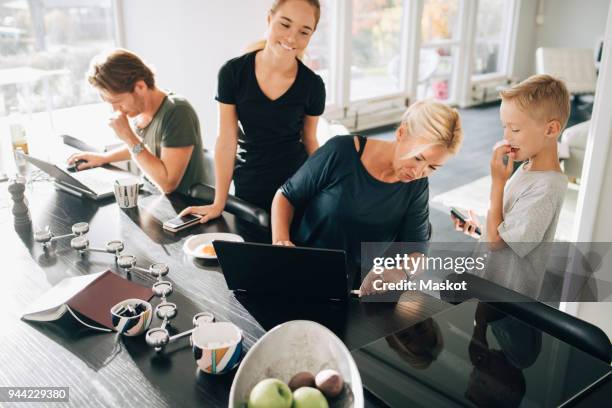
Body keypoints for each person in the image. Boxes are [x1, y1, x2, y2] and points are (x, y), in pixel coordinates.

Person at [271, 100, 463, 292]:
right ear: (401, 133)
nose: (419, 172)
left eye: (432, 167)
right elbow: (287, 195)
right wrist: (280, 241)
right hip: (304, 267)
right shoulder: (341, 151)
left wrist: (403, 272)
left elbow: (418, 251)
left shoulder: (417, 186)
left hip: (360, 287)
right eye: (418, 157)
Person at [180, 0, 325, 222]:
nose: (292, 38)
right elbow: (227, 140)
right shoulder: (232, 73)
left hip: (297, 187)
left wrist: (328, 187)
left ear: (311, 35)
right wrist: (219, 203)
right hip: (250, 187)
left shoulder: (313, 85)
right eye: (285, 25)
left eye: (304, 32)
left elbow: (310, 140)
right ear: (269, 19)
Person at [452, 74, 570, 299]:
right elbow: (505, 232)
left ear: (551, 129)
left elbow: (497, 244)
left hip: (508, 300)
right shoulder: (527, 168)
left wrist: (498, 183)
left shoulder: (547, 187)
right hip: (489, 287)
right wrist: (482, 229)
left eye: (515, 129)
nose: (506, 136)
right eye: (504, 127)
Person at [67, 49, 206, 195]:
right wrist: (103, 158)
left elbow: (168, 184)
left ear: (140, 87)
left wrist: (128, 136)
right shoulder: (140, 110)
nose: (115, 110)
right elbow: (142, 148)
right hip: (151, 195)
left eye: (118, 101)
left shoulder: (177, 111)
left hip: (183, 207)